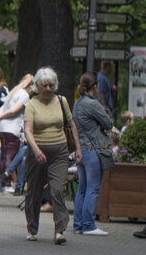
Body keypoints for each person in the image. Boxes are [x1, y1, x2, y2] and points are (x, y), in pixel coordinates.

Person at [22, 67, 81, 245]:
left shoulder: (62, 101)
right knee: (34, 192)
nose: (48, 89)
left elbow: (72, 125)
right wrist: (37, 150)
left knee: (57, 190)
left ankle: (59, 231)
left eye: (51, 85)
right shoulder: (32, 104)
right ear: (37, 86)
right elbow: (28, 130)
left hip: (59, 152)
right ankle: (32, 228)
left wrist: (78, 149)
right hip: (37, 153)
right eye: (44, 85)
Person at [72, 72, 114, 236]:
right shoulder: (93, 104)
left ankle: (78, 225)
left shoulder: (77, 104)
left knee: (81, 189)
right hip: (94, 150)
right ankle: (89, 225)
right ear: (94, 86)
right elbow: (108, 123)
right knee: (93, 188)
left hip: (81, 150)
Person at [0, 73, 32, 190]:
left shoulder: (14, 91)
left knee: (4, 156)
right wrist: (2, 116)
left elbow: (2, 107)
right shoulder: (24, 95)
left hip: (2, 128)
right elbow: (14, 111)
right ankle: (8, 184)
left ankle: (1, 183)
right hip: (12, 128)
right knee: (10, 156)